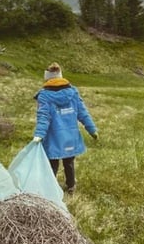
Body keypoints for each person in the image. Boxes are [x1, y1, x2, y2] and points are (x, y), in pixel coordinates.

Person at [33, 62, 98, 194]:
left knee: (52, 162)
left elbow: (43, 117)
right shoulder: (73, 92)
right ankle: (71, 186)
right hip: (71, 136)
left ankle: (50, 188)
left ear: (47, 78)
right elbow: (83, 113)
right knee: (69, 161)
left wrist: (39, 134)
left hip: (53, 137)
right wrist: (92, 129)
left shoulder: (44, 95)